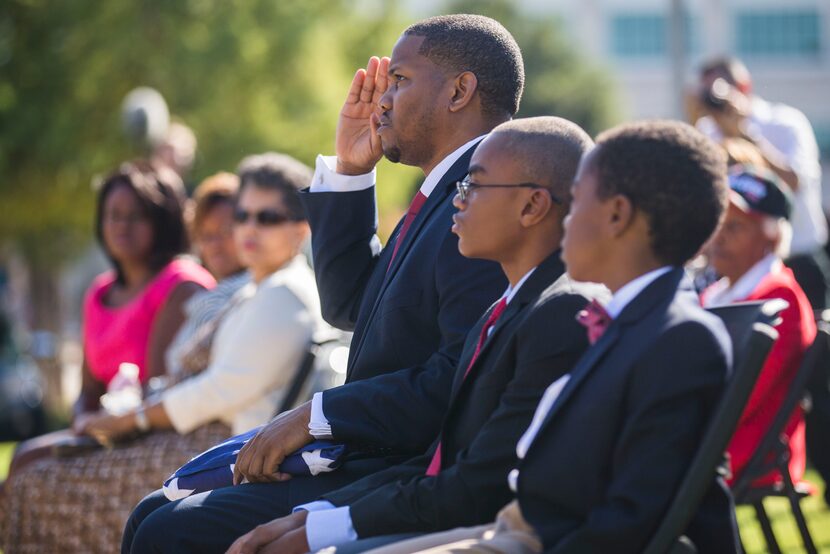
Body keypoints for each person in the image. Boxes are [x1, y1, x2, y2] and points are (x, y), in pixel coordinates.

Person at [123, 14, 523, 553]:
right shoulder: (444, 192)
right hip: (374, 452)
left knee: (171, 529)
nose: (381, 100)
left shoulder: (481, 202)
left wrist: (317, 418)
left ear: (459, 91)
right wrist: (352, 171)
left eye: (399, 80)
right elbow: (352, 303)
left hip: (405, 468)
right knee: (154, 514)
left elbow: (456, 378)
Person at [225, 118, 608, 554]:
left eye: (473, 188)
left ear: (532, 206)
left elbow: (477, 485)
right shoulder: (502, 311)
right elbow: (439, 462)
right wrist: (316, 516)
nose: (456, 203)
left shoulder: (559, 314)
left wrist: (323, 530)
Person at [367, 120, 739, 554]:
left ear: (617, 215)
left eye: (577, 201)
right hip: (516, 530)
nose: (564, 221)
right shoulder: (624, 322)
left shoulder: (680, 338)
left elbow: (628, 522)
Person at [0, 154, 325, 553]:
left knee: (38, 482)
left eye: (267, 217)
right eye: (241, 215)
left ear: (301, 227)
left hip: (225, 452)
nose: (248, 229)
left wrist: (131, 419)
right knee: (32, 468)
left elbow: (218, 390)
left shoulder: (284, 293)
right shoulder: (258, 287)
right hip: (199, 439)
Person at [5, 161, 215, 478]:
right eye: (113, 215)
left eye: (136, 216)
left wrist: (101, 425)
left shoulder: (181, 285)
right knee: (24, 459)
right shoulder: (99, 291)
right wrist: (82, 421)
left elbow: (156, 390)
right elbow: (89, 388)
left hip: (157, 437)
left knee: (30, 466)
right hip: (105, 431)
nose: (121, 226)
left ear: (163, 221)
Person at [703, 166, 815, 488]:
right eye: (718, 223)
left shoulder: (778, 296)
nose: (719, 236)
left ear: (771, 235)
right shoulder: (716, 291)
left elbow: (738, 400)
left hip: (745, 452)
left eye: (735, 226)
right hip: (715, 444)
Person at [694, 57, 827, 310]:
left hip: (797, 258)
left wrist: (745, 135)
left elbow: (794, 182)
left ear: (743, 87)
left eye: (721, 90)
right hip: (738, 263)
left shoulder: (784, 122)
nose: (715, 99)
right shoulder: (708, 130)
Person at [165, 172, 249, 378]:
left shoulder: (239, 293)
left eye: (226, 231)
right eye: (206, 236)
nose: (215, 245)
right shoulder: (216, 293)